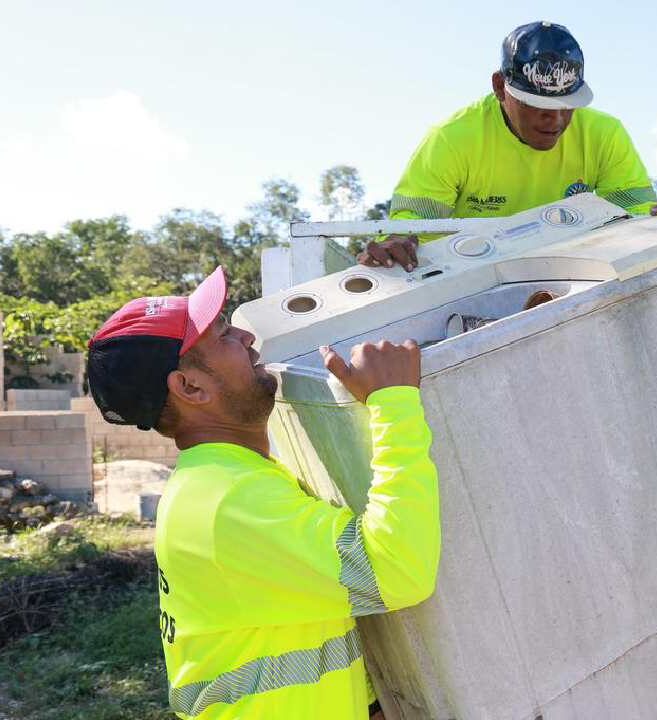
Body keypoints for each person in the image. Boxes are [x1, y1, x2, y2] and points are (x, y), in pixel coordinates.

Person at [85, 267, 440, 719]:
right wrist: (393, 402)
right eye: (222, 335)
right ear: (191, 387)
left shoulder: (228, 478)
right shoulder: (227, 500)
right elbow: (398, 573)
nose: (246, 338)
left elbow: (296, 627)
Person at [359, 20, 657, 272]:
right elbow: (412, 227)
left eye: (566, 105)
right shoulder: (451, 139)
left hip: (576, 277)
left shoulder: (606, 134)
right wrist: (398, 243)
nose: (555, 120)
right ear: (500, 87)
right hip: (473, 283)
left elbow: (636, 218)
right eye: (536, 105)